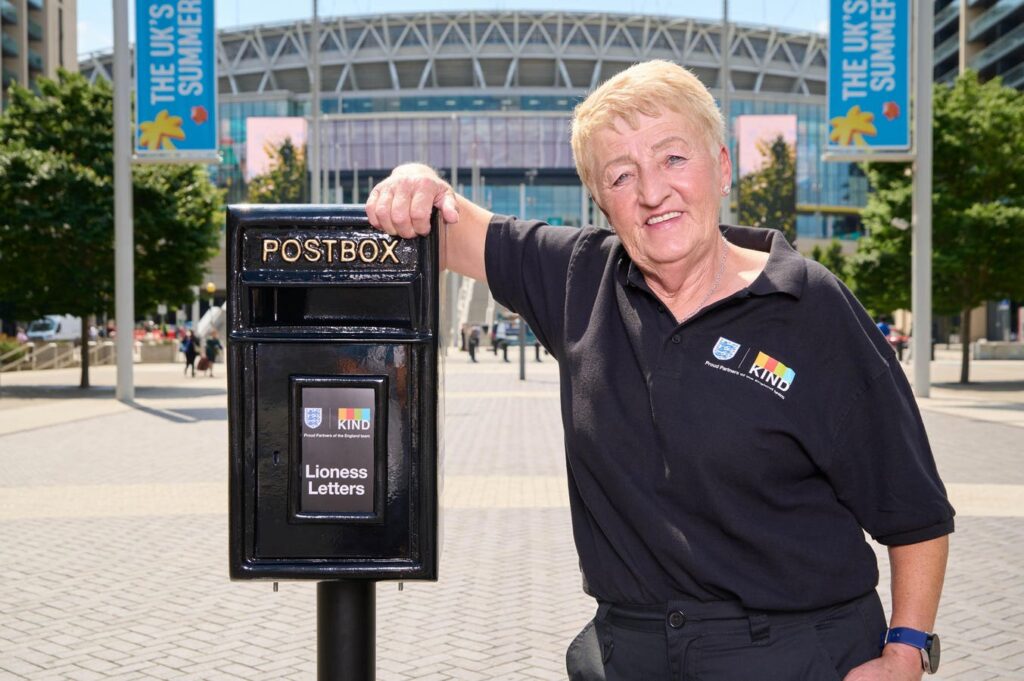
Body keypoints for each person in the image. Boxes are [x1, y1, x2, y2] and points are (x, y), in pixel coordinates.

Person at [365, 60, 953, 681]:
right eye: (622, 175)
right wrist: (416, 178)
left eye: (674, 159)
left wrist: (906, 650)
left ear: (722, 167)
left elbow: (912, 505)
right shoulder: (576, 277)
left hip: (798, 651)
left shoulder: (810, 306)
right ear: (600, 202)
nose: (652, 192)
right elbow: (443, 224)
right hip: (631, 652)